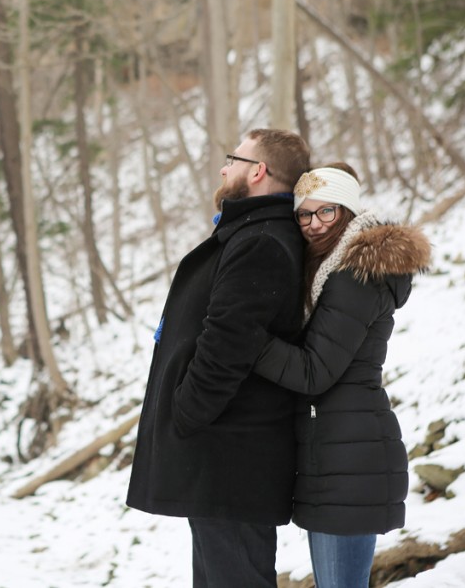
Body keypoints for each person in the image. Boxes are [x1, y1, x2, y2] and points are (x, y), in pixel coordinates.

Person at [126, 128, 311, 588]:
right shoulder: (250, 234)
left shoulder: (261, 242)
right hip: (223, 458)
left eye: (234, 158)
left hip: (232, 458)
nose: (225, 168)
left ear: (259, 171)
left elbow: (227, 344)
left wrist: (186, 413)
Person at [251, 163, 431, 588]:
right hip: (333, 453)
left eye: (326, 211)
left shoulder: (354, 276)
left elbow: (314, 372)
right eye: (304, 214)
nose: (314, 224)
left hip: (351, 459)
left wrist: (247, 341)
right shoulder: (327, 270)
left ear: (347, 211)